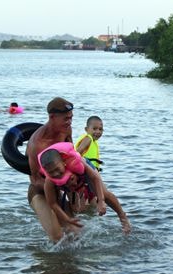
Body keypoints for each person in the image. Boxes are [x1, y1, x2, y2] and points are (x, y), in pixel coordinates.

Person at [38, 142, 130, 235]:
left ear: (63, 162)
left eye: (57, 169)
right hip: (68, 186)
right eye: (51, 172)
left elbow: (95, 178)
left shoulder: (77, 162)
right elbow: (52, 203)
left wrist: (101, 201)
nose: (55, 174)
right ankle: (72, 226)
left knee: (104, 193)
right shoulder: (49, 181)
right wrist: (66, 219)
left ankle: (122, 216)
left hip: (84, 173)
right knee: (68, 209)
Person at [25, 97, 78, 242]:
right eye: (66, 119)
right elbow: (35, 179)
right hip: (39, 192)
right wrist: (60, 184)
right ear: (52, 117)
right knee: (57, 237)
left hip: (58, 191)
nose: (69, 122)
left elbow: (72, 159)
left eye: (71, 118)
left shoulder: (66, 131)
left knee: (76, 233)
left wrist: (76, 186)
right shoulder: (37, 143)